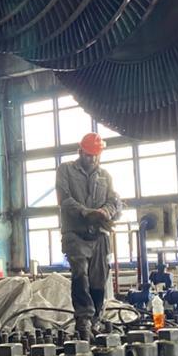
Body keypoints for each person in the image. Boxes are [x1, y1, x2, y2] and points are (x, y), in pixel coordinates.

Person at [56, 132, 123, 340]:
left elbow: (114, 201)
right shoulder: (66, 170)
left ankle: (95, 320)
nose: (92, 159)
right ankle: (84, 319)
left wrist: (106, 212)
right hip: (75, 234)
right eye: (88, 155)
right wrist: (86, 213)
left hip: (100, 234)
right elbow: (64, 200)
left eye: (95, 155)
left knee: (99, 279)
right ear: (80, 152)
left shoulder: (105, 176)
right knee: (80, 274)